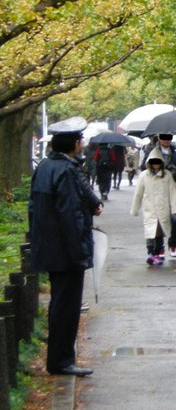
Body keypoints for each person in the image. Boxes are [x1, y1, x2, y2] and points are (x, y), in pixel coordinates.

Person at [29, 117, 102, 376]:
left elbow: (34, 209)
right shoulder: (67, 171)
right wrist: (80, 252)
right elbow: (71, 215)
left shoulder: (45, 167)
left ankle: (59, 358)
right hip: (66, 250)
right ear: (75, 143)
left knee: (60, 303)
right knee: (66, 307)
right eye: (80, 140)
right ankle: (61, 361)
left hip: (49, 247)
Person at [131, 150, 176, 266]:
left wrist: (175, 209)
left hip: (163, 207)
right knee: (150, 231)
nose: (156, 164)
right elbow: (138, 193)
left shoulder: (167, 175)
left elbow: (172, 193)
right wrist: (135, 209)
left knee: (159, 232)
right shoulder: (144, 175)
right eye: (153, 162)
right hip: (149, 207)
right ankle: (150, 253)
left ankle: (157, 253)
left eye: (158, 162)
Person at [148, 133, 176, 258]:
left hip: (173, 191)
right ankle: (159, 247)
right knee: (158, 221)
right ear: (159, 138)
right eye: (164, 137)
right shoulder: (152, 151)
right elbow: (144, 168)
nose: (167, 140)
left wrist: (175, 170)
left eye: (169, 138)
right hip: (157, 192)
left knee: (175, 220)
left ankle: (173, 245)